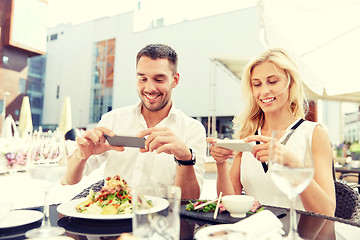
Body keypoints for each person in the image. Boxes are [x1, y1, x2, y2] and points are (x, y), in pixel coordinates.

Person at [61, 44, 206, 199]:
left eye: (159, 79)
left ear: (175, 80)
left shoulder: (192, 129)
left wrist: (185, 158)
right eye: (142, 79)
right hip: (113, 217)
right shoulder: (112, 119)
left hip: (159, 220)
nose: (149, 88)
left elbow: (189, 200)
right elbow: (68, 180)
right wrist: (81, 155)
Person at [207, 48, 336, 216]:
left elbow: (327, 211)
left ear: (290, 83)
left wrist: (293, 164)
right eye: (257, 84)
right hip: (255, 232)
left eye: (273, 81)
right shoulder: (247, 136)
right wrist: (221, 163)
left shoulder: (314, 133)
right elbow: (228, 202)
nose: (264, 91)